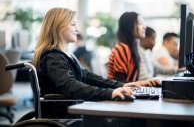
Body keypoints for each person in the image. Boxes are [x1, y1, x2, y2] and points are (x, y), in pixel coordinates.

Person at [32, 8, 161, 105]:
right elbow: (71, 86)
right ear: (57, 28)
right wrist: (109, 93)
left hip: (74, 107)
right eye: (73, 24)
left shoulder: (65, 55)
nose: (77, 29)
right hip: (64, 113)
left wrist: (120, 86)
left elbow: (87, 76)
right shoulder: (53, 57)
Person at [107, 12, 160, 85]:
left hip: (129, 92)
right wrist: (143, 83)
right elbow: (120, 83)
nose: (144, 27)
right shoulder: (122, 48)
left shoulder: (132, 48)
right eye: (140, 23)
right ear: (129, 26)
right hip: (118, 93)